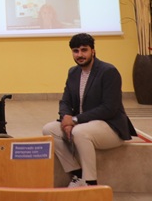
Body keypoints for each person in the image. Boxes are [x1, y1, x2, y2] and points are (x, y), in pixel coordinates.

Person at [42, 33, 136, 187]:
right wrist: (66, 118)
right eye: (75, 51)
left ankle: (90, 183)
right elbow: (65, 101)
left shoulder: (108, 71)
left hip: (110, 127)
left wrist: (74, 120)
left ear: (93, 51)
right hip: (83, 124)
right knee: (49, 129)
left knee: (79, 132)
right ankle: (77, 175)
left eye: (84, 50)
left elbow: (109, 108)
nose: (80, 55)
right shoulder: (73, 72)